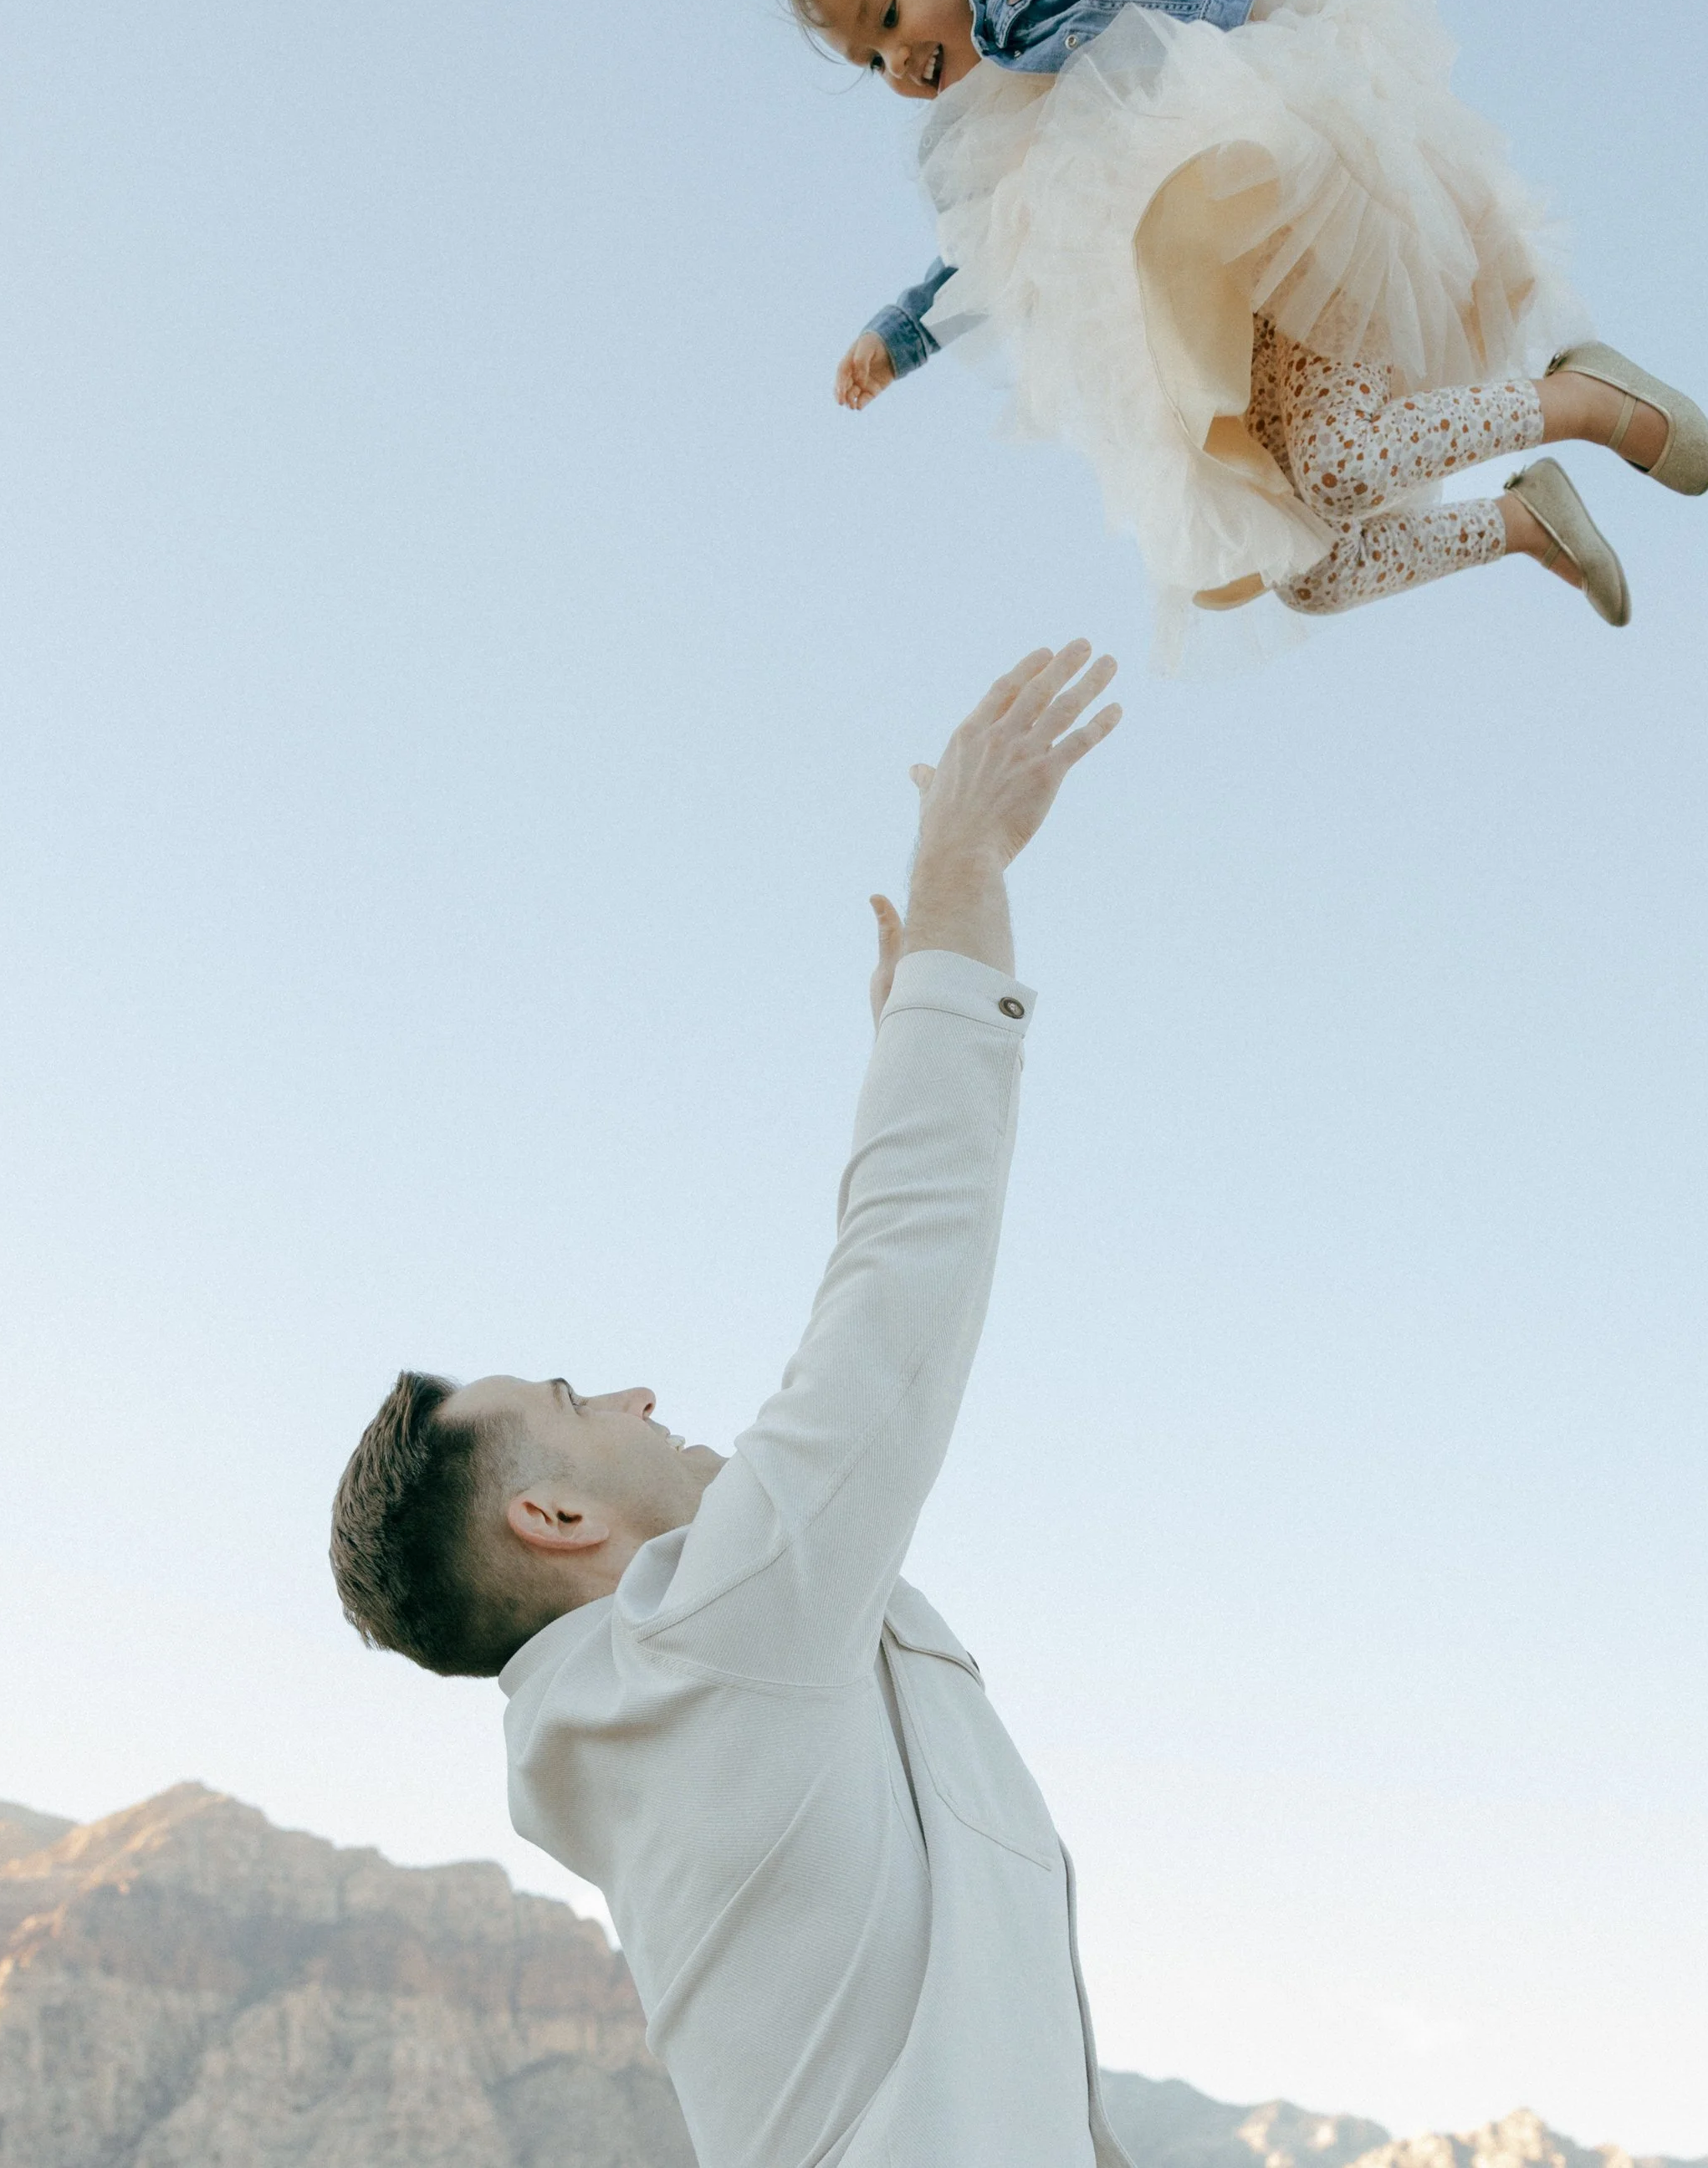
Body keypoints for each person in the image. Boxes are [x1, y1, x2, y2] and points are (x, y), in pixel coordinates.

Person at [331, 642, 1131, 2168]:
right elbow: (894, 1294)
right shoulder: (705, 1646)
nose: (637, 1390)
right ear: (552, 1512)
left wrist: (924, 1027)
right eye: (575, 1396)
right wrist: (959, 886)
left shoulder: (709, 1681)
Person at [599, 0, 1708, 662]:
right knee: (1307, 572)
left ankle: (1583, 399)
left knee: (1339, 466)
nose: (894, 63)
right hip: (1220, 313)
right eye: (867, 59)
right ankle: (1526, 521)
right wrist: (900, 335)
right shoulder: (995, 131)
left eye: (889, 15)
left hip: (1280, 193)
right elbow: (988, 255)